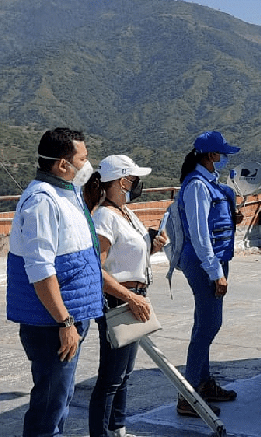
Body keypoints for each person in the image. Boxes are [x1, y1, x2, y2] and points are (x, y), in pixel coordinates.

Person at [6, 127, 103, 437]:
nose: (88, 165)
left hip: (71, 316)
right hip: (53, 325)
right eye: (83, 159)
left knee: (60, 399)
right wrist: (64, 322)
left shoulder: (67, 192)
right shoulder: (42, 202)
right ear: (63, 164)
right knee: (49, 404)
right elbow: (40, 269)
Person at [85, 155, 167, 437]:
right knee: (110, 377)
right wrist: (130, 298)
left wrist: (152, 246)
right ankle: (102, 433)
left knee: (124, 374)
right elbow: (97, 268)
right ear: (122, 181)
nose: (137, 184)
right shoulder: (105, 216)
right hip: (120, 300)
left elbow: (128, 257)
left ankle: (117, 428)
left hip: (135, 297)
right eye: (133, 179)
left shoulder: (125, 212)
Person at [174, 131, 242, 417]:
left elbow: (213, 221)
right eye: (223, 153)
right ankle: (188, 395)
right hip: (205, 263)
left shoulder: (210, 185)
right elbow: (200, 235)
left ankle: (203, 383)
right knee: (210, 325)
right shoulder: (197, 186)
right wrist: (216, 273)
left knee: (203, 323)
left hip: (213, 261)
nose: (225, 158)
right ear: (212, 156)